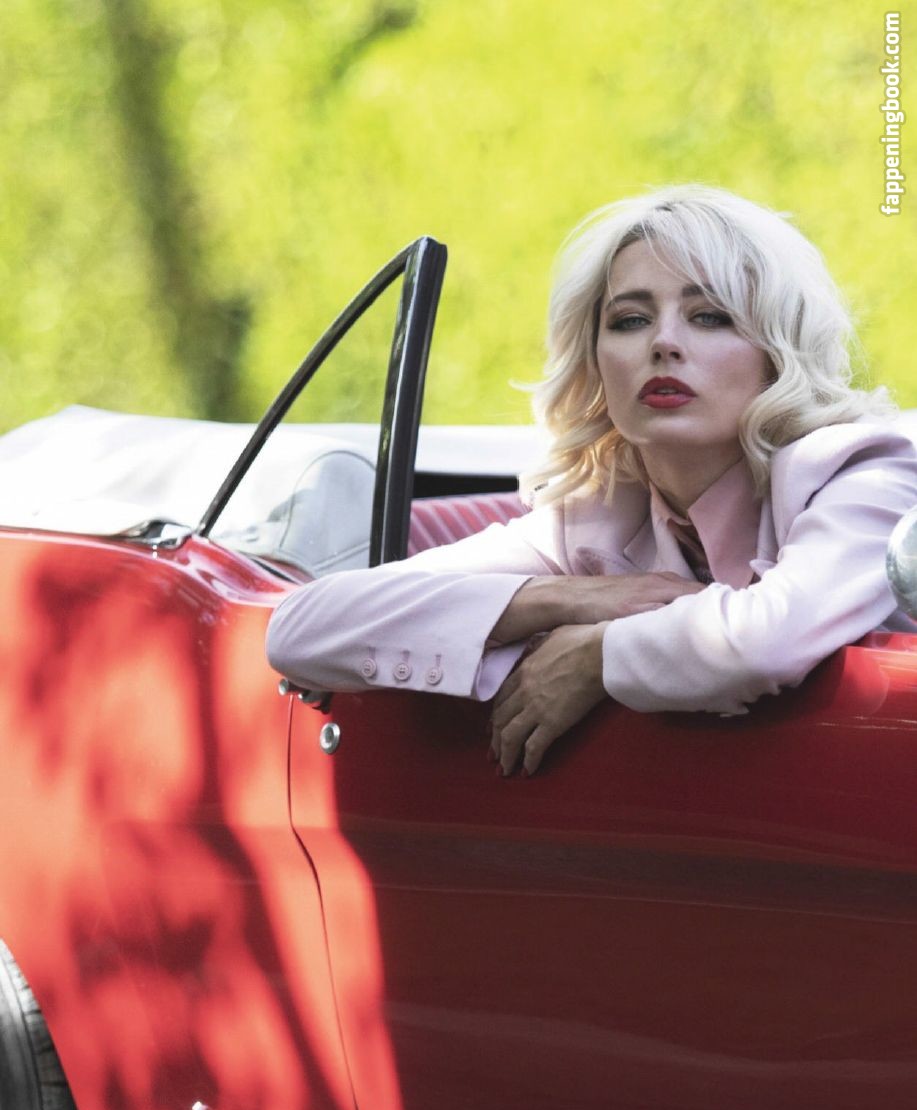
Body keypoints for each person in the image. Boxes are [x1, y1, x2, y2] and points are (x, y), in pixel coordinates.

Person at [266, 185, 917, 776]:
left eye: (710, 316)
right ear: (595, 363)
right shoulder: (597, 518)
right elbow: (302, 628)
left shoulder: (863, 470)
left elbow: (764, 642)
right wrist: (571, 599)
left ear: (778, 352)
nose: (663, 343)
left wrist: (596, 655)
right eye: (630, 320)